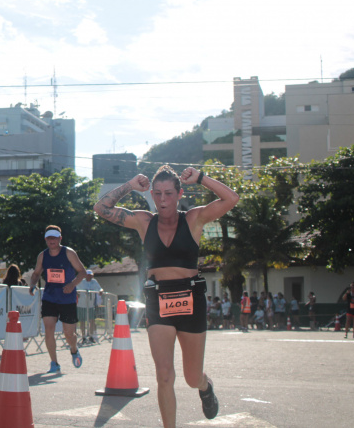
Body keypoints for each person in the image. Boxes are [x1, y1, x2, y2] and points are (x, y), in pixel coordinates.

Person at [94, 165, 239, 426]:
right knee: (164, 375)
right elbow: (100, 208)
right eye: (157, 193)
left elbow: (232, 199)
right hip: (158, 301)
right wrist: (129, 185)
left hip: (191, 299)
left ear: (180, 193)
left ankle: (205, 387)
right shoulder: (143, 221)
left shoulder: (194, 218)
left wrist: (202, 178)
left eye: (169, 193)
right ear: (151, 193)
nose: (163, 200)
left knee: (191, 377)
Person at [28, 224, 87, 374]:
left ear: (60, 238)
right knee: (49, 329)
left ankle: (74, 350)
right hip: (50, 297)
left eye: (54, 238)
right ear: (46, 240)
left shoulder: (69, 253)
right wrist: (32, 284)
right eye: (48, 238)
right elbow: (36, 273)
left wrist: (72, 284)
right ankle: (54, 363)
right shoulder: (43, 255)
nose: (51, 241)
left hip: (67, 298)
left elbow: (82, 272)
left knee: (69, 334)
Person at [77, 269, 103, 343]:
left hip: (91, 304)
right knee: (82, 321)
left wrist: (101, 291)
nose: (90, 277)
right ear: (85, 276)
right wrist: (77, 293)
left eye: (91, 275)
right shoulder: (81, 282)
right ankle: (83, 336)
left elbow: (99, 288)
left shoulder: (94, 282)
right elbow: (75, 288)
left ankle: (91, 335)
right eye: (89, 275)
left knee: (92, 320)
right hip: (82, 304)